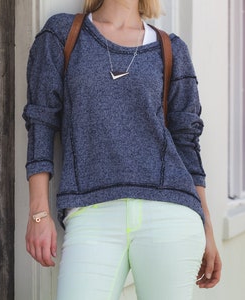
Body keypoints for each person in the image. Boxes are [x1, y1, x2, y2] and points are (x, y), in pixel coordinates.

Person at [23, 0, 222, 299]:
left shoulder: (171, 49)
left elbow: (187, 143)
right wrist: (39, 213)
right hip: (91, 214)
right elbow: (41, 121)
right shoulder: (63, 34)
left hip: (171, 214)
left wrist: (207, 226)